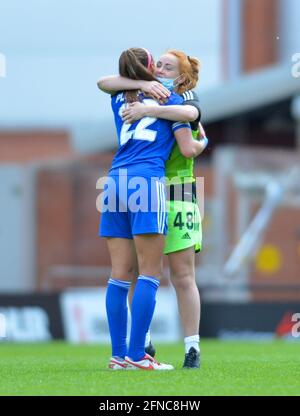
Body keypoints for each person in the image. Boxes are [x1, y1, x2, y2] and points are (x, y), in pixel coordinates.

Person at [98, 49, 207, 369]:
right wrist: (203, 143)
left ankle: (119, 355)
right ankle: (138, 354)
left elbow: (103, 82)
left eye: (166, 65)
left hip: (114, 181)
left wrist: (141, 88)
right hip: (152, 184)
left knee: (119, 276)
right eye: (156, 64)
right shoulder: (169, 98)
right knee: (153, 274)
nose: (160, 69)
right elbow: (190, 124)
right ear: (149, 70)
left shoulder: (120, 97)